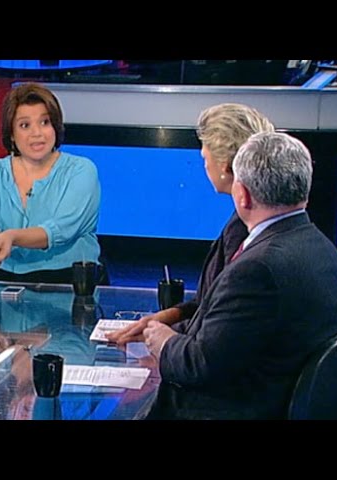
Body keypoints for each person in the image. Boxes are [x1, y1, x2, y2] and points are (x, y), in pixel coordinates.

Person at [144, 132, 337, 419]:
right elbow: (233, 333)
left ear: (242, 194)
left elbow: (202, 365)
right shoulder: (321, 247)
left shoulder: (257, 269)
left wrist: (163, 341)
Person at [107, 103, 274, 344]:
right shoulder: (243, 220)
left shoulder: (246, 235)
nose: (204, 164)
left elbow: (219, 327)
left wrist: (165, 339)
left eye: (205, 156)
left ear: (225, 165)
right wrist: (166, 317)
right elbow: (210, 302)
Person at [0, 82, 102, 284]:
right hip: (7, 279)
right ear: (12, 134)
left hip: (73, 279)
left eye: (45, 122)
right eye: (25, 125)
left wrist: (11, 237)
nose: (37, 133)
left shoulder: (81, 170)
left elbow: (61, 230)